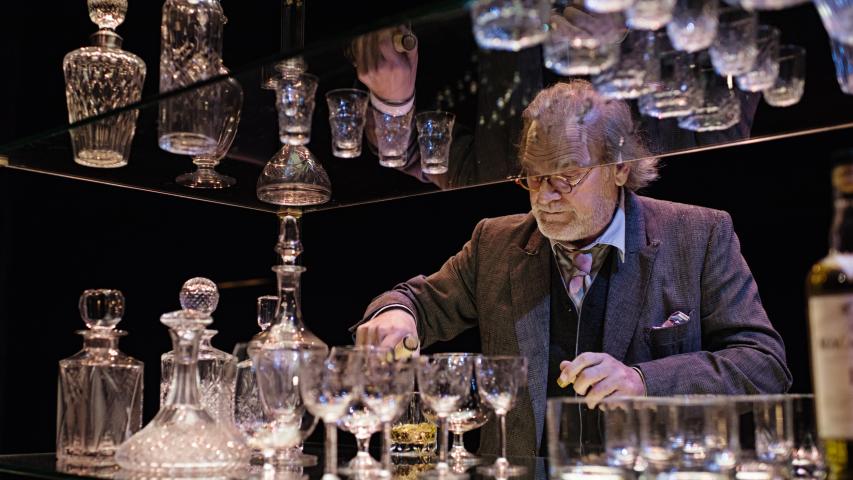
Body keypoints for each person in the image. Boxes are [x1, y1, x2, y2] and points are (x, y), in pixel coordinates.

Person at [353, 80, 791, 457]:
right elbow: (416, 302)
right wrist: (396, 315)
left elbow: (764, 365)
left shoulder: (698, 236)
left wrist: (643, 382)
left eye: (567, 175)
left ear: (619, 167)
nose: (544, 197)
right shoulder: (497, 242)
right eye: (533, 176)